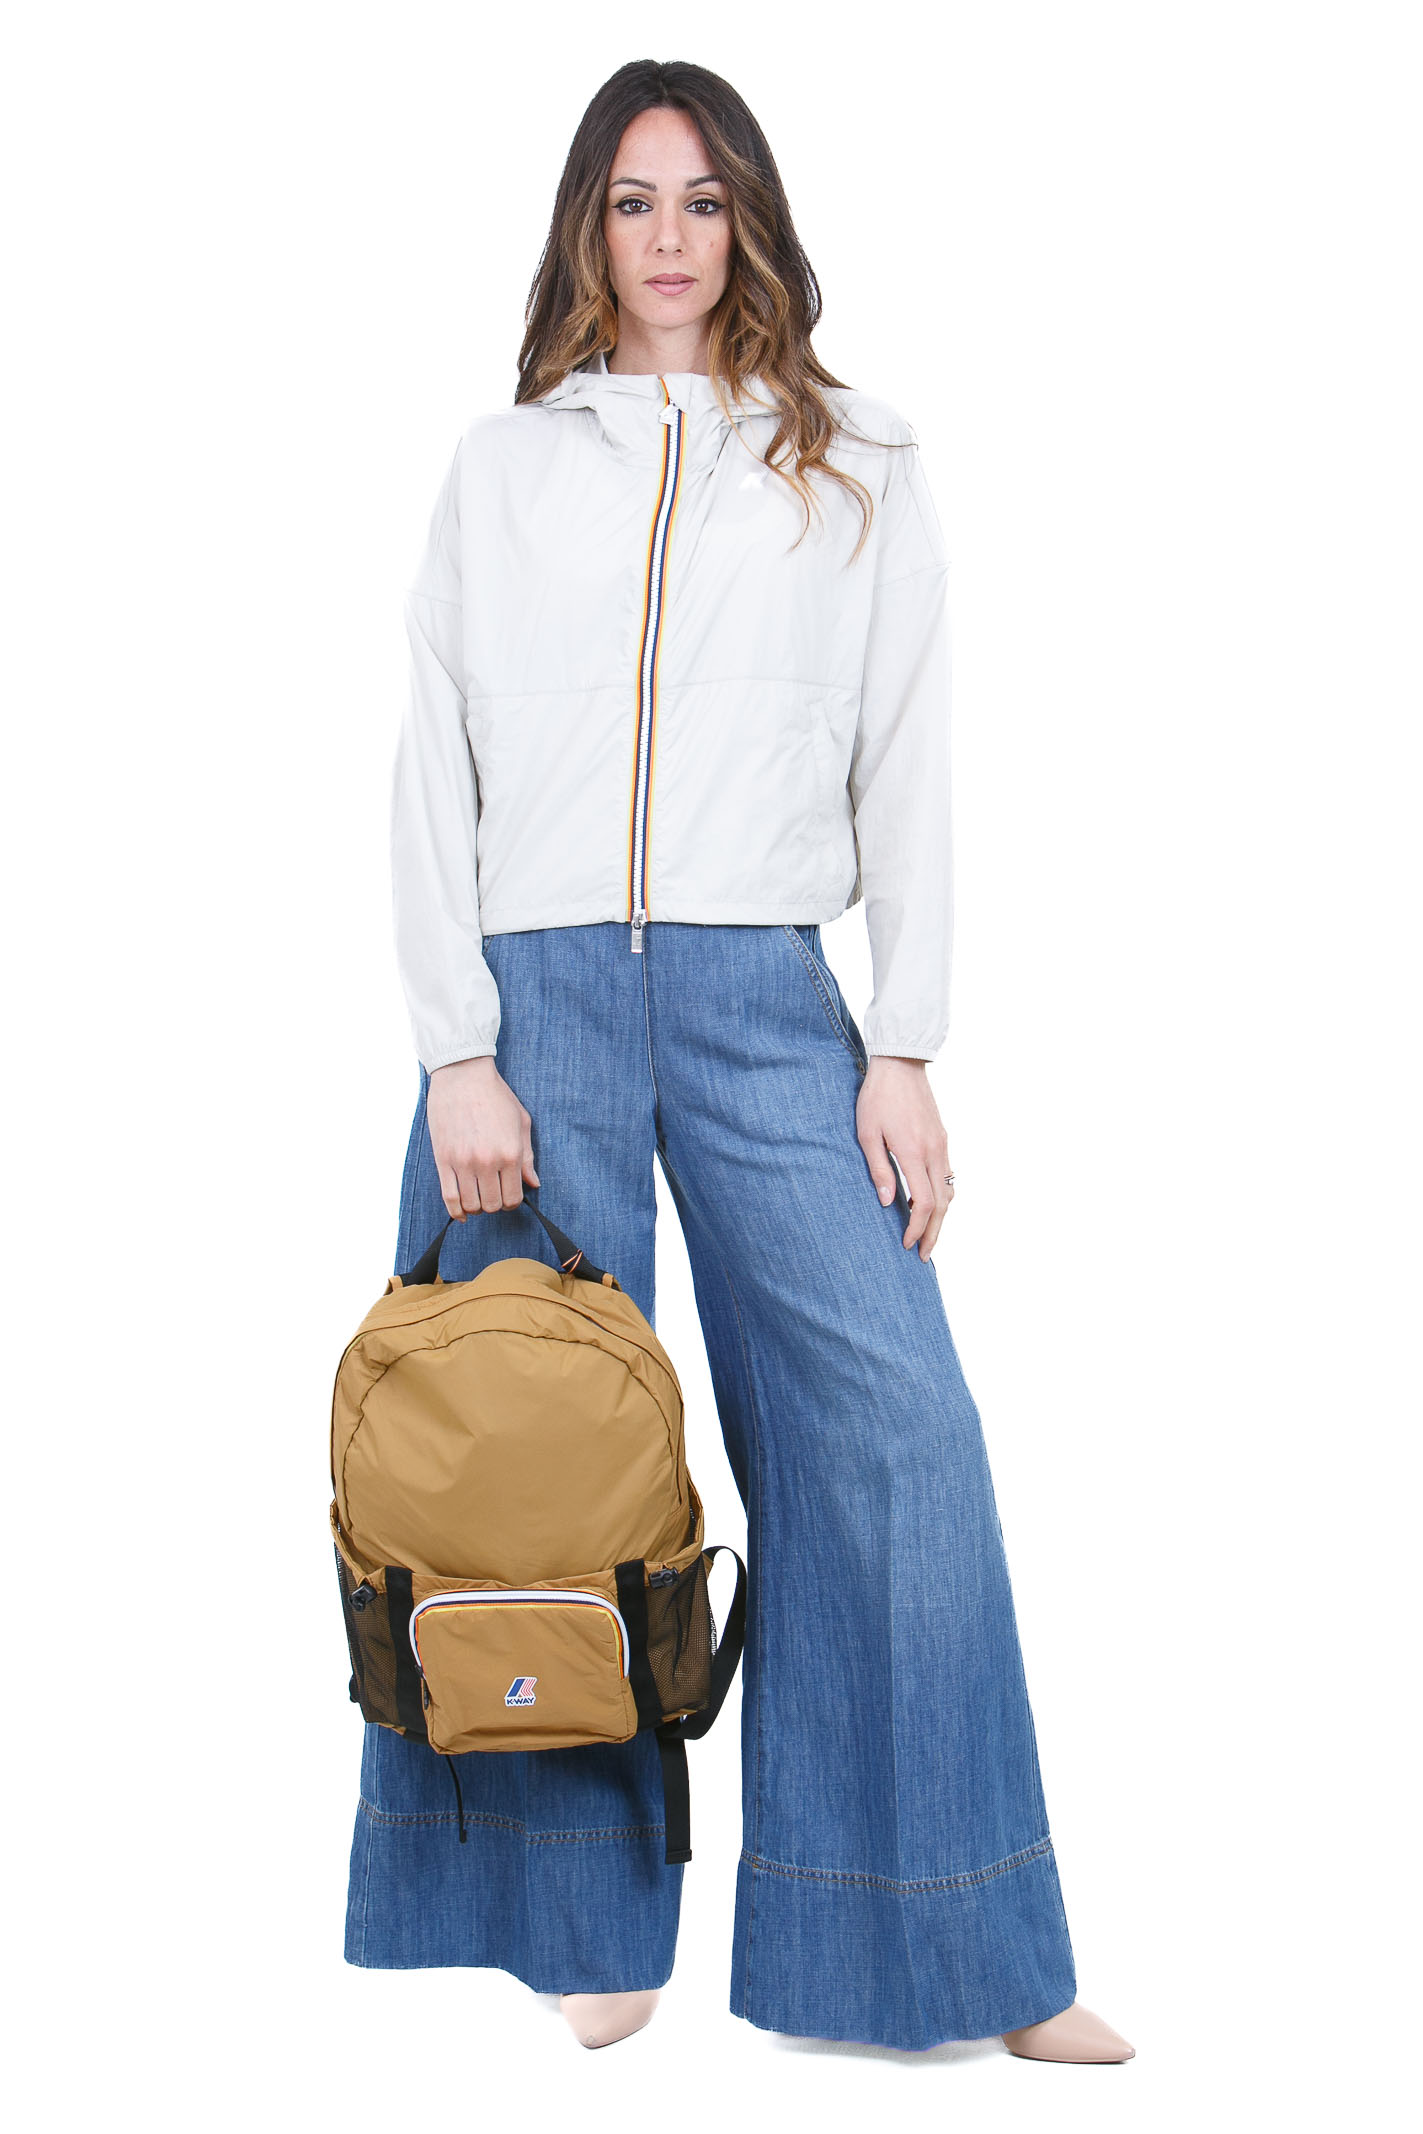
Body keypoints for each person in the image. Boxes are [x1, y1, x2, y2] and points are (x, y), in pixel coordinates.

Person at [347, 57, 1134, 2066]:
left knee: (898, 1439)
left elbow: (909, 753)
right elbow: (431, 762)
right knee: (523, 1449)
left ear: (751, 219)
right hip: (531, 1008)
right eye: (633, 201)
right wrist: (456, 1048)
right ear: (586, 229)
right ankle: (575, 1921)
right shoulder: (504, 467)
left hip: (767, 998)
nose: (670, 237)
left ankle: (953, 1943)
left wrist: (906, 1038)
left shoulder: (853, 461)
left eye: (702, 199)